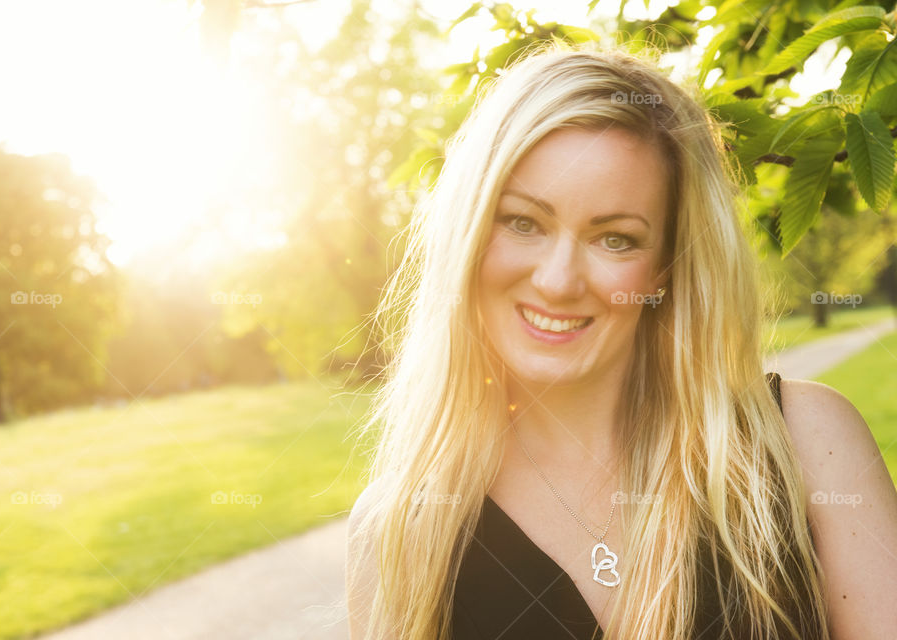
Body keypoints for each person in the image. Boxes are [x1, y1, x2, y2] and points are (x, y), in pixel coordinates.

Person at [345, 40, 897, 640]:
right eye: (523, 222)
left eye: (615, 239)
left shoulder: (808, 444)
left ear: (666, 266)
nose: (557, 281)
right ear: (470, 231)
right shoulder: (400, 530)